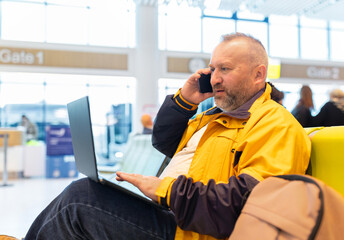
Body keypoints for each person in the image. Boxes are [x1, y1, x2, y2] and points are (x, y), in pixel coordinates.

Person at [4, 33, 310, 240]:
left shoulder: (275, 125)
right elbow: (164, 141)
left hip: (189, 229)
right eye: (212, 68)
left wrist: (164, 190)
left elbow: (251, 204)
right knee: (83, 198)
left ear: (259, 74)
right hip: (172, 210)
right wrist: (186, 100)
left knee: (80, 200)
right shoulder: (215, 117)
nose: (214, 78)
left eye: (225, 69)